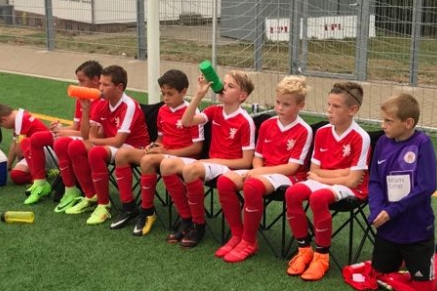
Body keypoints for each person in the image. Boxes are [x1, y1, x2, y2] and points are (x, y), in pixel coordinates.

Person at [366, 93, 437, 291]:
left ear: (408, 123)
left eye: (389, 121)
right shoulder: (382, 143)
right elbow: (375, 181)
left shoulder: (422, 144)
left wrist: (392, 211)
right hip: (389, 227)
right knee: (379, 277)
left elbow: (427, 187)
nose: (382, 125)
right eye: (383, 120)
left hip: (416, 229)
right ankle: (404, 259)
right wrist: (377, 209)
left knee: (424, 289)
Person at [214, 75, 312, 263]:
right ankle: (237, 235)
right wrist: (257, 171)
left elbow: (292, 167)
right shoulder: (267, 124)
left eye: (286, 104)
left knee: (252, 185)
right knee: (225, 181)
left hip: (289, 176)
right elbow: (258, 157)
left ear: (301, 106)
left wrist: (257, 173)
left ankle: (249, 241)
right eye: (278, 102)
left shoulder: (304, 130)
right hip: (263, 172)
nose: (280, 108)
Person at [160, 70, 256, 249]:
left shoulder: (245, 121)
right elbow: (186, 121)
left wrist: (212, 161)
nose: (223, 87)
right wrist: (199, 94)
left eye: (230, 86)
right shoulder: (214, 110)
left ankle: (199, 225)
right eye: (223, 83)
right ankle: (186, 219)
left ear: (242, 96)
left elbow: (245, 162)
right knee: (166, 165)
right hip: (210, 165)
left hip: (230, 169)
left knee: (191, 169)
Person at [285, 82, 371, 281]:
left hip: (351, 189)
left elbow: (353, 181)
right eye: (329, 104)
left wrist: (322, 177)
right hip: (327, 180)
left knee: (318, 197)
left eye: (336, 106)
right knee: (292, 193)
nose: (329, 110)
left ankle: (321, 256)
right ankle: (304, 249)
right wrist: (338, 173)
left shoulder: (361, 137)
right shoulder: (322, 132)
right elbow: (313, 170)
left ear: (352, 110)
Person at [113, 69, 203, 236]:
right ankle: (128, 207)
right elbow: (160, 139)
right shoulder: (162, 110)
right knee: (122, 155)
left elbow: (197, 148)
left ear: (183, 92)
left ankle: (147, 211)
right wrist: (153, 145)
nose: (165, 98)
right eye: (163, 93)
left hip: (184, 158)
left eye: (170, 94)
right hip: (164, 153)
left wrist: (168, 151)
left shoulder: (193, 112)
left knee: (147, 161)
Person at [63, 65, 151, 225]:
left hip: (134, 148)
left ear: (119, 87)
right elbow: (87, 135)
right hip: (113, 145)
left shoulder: (129, 105)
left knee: (95, 152)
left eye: (105, 84)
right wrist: (86, 110)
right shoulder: (102, 103)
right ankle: (91, 197)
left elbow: (118, 141)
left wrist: (94, 141)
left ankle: (104, 205)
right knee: (75, 147)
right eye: (100, 84)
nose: (100, 88)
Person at [53, 60, 103, 213]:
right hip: (86, 136)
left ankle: (91, 195)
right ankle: (68, 189)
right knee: (38, 138)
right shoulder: (82, 98)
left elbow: (92, 134)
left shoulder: (103, 101)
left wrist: (65, 133)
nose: (79, 85)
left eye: (82, 81)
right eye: (78, 81)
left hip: (99, 140)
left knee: (68, 144)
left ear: (96, 80)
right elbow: (77, 127)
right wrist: (61, 129)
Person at [0, 103, 56, 205]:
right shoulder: (19, 117)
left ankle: (41, 180)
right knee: (17, 172)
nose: (4, 127)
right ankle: (44, 174)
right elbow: (14, 146)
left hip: (49, 152)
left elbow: (19, 153)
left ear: (4, 119)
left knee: (17, 174)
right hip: (44, 150)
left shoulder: (21, 121)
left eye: (1, 125)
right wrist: (7, 166)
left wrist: (18, 153)